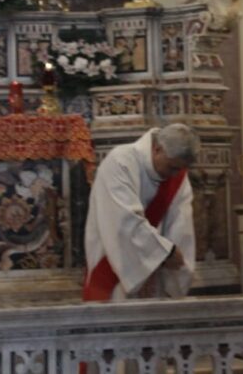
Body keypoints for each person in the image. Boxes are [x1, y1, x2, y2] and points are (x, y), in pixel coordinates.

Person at [83, 123, 199, 301]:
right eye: (172, 168)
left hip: (158, 275)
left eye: (180, 169)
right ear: (157, 149)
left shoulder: (178, 177)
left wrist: (176, 262)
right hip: (116, 268)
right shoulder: (120, 161)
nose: (175, 175)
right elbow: (123, 222)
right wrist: (164, 252)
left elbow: (181, 228)